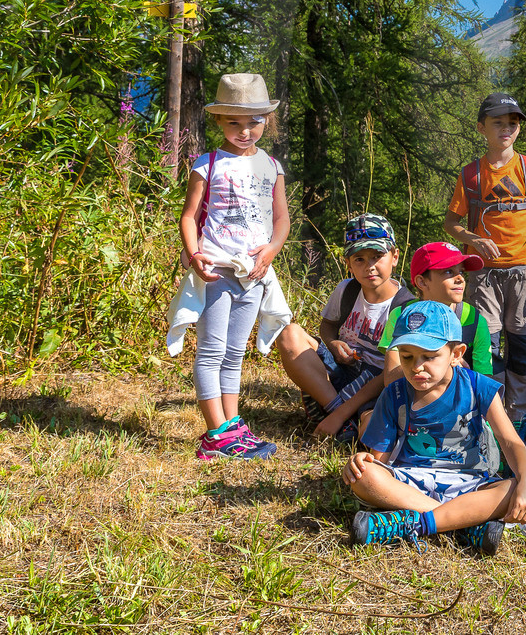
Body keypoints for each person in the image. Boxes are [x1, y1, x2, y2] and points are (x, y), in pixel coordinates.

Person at [344, 300, 526, 554]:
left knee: (509, 488)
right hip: (410, 482)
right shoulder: (394, 394)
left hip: (469, 485)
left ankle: (416, 523)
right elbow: (380, 461)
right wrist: (362, 461)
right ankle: (463, 524)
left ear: (456, 354)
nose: (417, 367)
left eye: (430, 356)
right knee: (364, 475)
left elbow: (510, 441)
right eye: (407, 356)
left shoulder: (478, 387)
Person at [172, 73, 291, 460]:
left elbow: (281, 219)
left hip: (253, 273)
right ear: (219, 122)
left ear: (266, 122)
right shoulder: (207, 164)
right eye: (235, 122)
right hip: (217, 270)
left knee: (235, 352)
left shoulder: (272, 166)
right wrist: (194, 254)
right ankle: (215, 433)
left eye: (254, 121)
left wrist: (271, 251)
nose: (245, 130)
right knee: (211, 349)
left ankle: (232, 425)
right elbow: (189, 216)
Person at [442, 92, 526, 421]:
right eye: (498, 123)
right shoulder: (471, 175)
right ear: (481, 128)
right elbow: (451, 223)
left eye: (512, 123)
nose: (506, 129)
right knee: (487, 348)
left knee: (521, 345)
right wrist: (474, 239)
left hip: (524, 273)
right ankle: (492, 414)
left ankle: (519, 416)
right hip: (483, 275)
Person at [274, 213, 413, 442]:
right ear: (348, 264)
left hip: (376, 386)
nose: (370, 266)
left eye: (377, 256)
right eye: (359, 259)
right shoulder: (347, 290)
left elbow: (390, 375)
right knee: (289, 334)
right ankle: (340, 414)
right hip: (341, 371)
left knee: (372, 435)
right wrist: (333, 343)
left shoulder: (405, 307)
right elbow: (327, 325)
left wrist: (340, 413)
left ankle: (337, 414)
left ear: (395, 256)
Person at [376, 242, 494, 376]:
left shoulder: (474, 320)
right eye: (449, 271)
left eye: (461, 271)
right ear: (422, 282)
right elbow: (391, 378)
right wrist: (443, 361)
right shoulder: (401, 315)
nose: (460, 278)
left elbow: (485, 381)